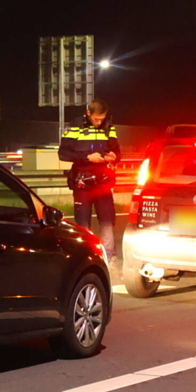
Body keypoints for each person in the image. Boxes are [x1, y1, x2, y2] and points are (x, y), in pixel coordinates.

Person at [59, 98, 120, 269]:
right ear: (88, 113)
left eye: (102, 118)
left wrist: (113, 157)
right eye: (96, 119)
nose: (99, 122)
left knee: (107, 221)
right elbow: (63, 153)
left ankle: (109, 259)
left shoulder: (108, 126)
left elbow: (117, 151)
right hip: (82, 181)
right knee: (83, 224)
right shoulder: (76, 125)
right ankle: (84, 256)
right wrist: (87, 157)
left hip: (103, 181)